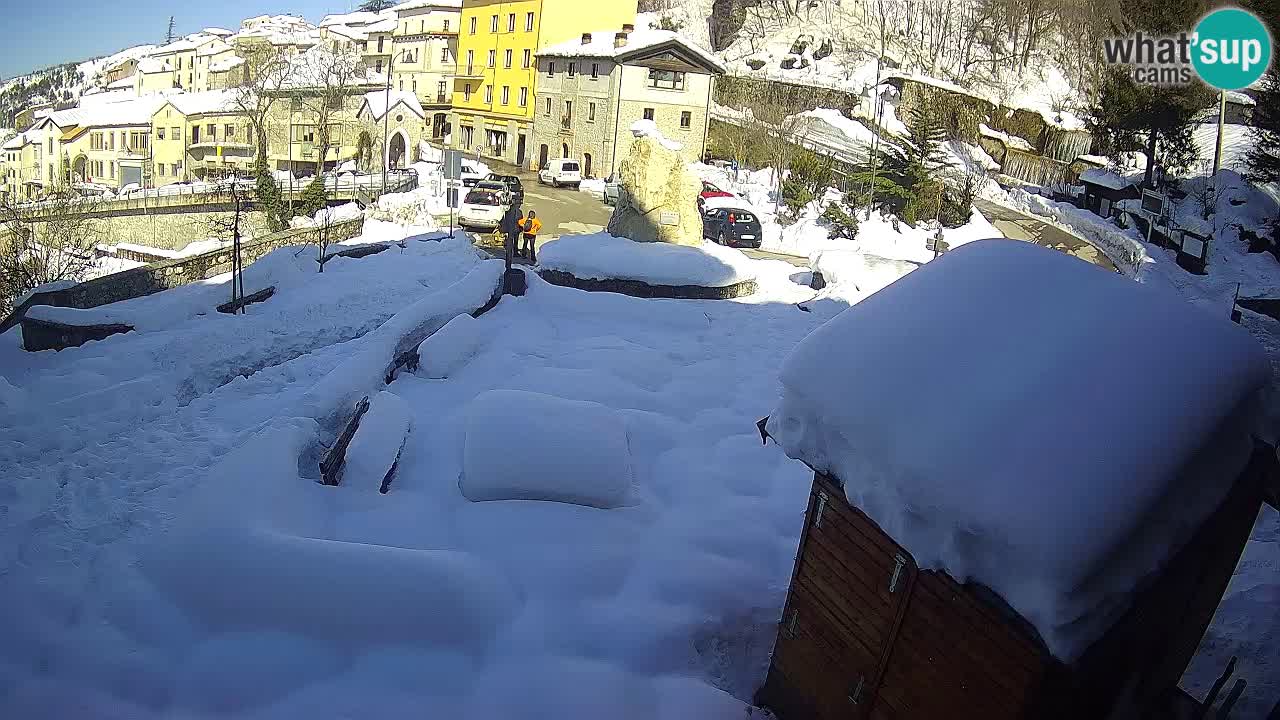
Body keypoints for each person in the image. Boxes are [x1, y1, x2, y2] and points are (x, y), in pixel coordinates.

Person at [500, 202, 524, 266]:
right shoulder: (515, 212)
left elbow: (521, 220)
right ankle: (512, 252)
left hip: (514, 228)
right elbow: (520, 220)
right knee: (512, 240)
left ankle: (513, 252)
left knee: (513, 241)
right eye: (518, 204)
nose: (519, 205)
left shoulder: (514, 211)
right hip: (513, 228)